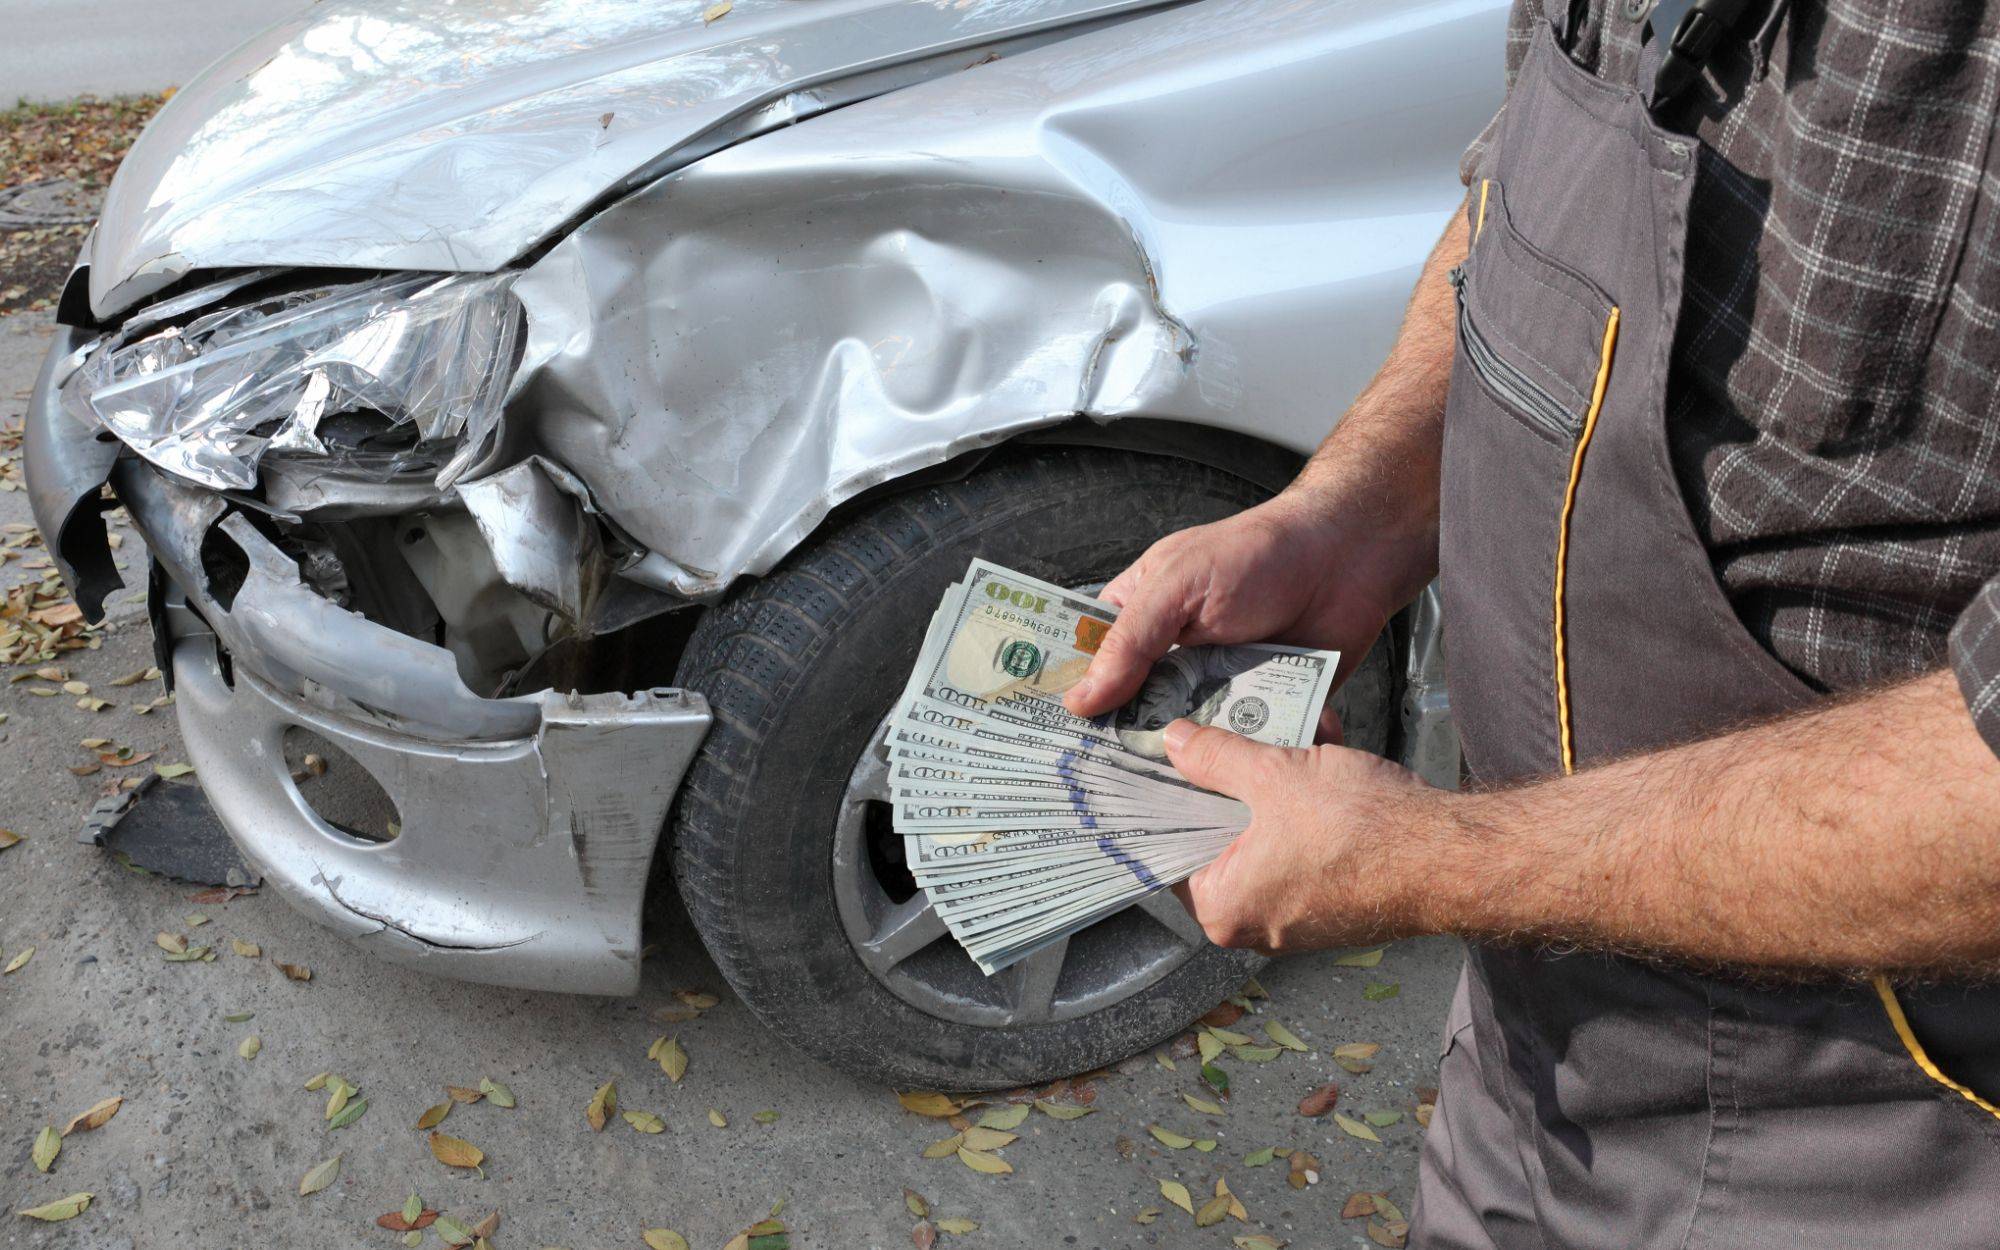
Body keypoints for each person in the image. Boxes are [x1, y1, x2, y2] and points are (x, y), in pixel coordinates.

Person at [1062, 1, 2000, 1244]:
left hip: (1881, 1147)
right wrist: (1348, 517)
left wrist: (1434, 862)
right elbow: (1521, 213)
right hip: (1527, 1044)